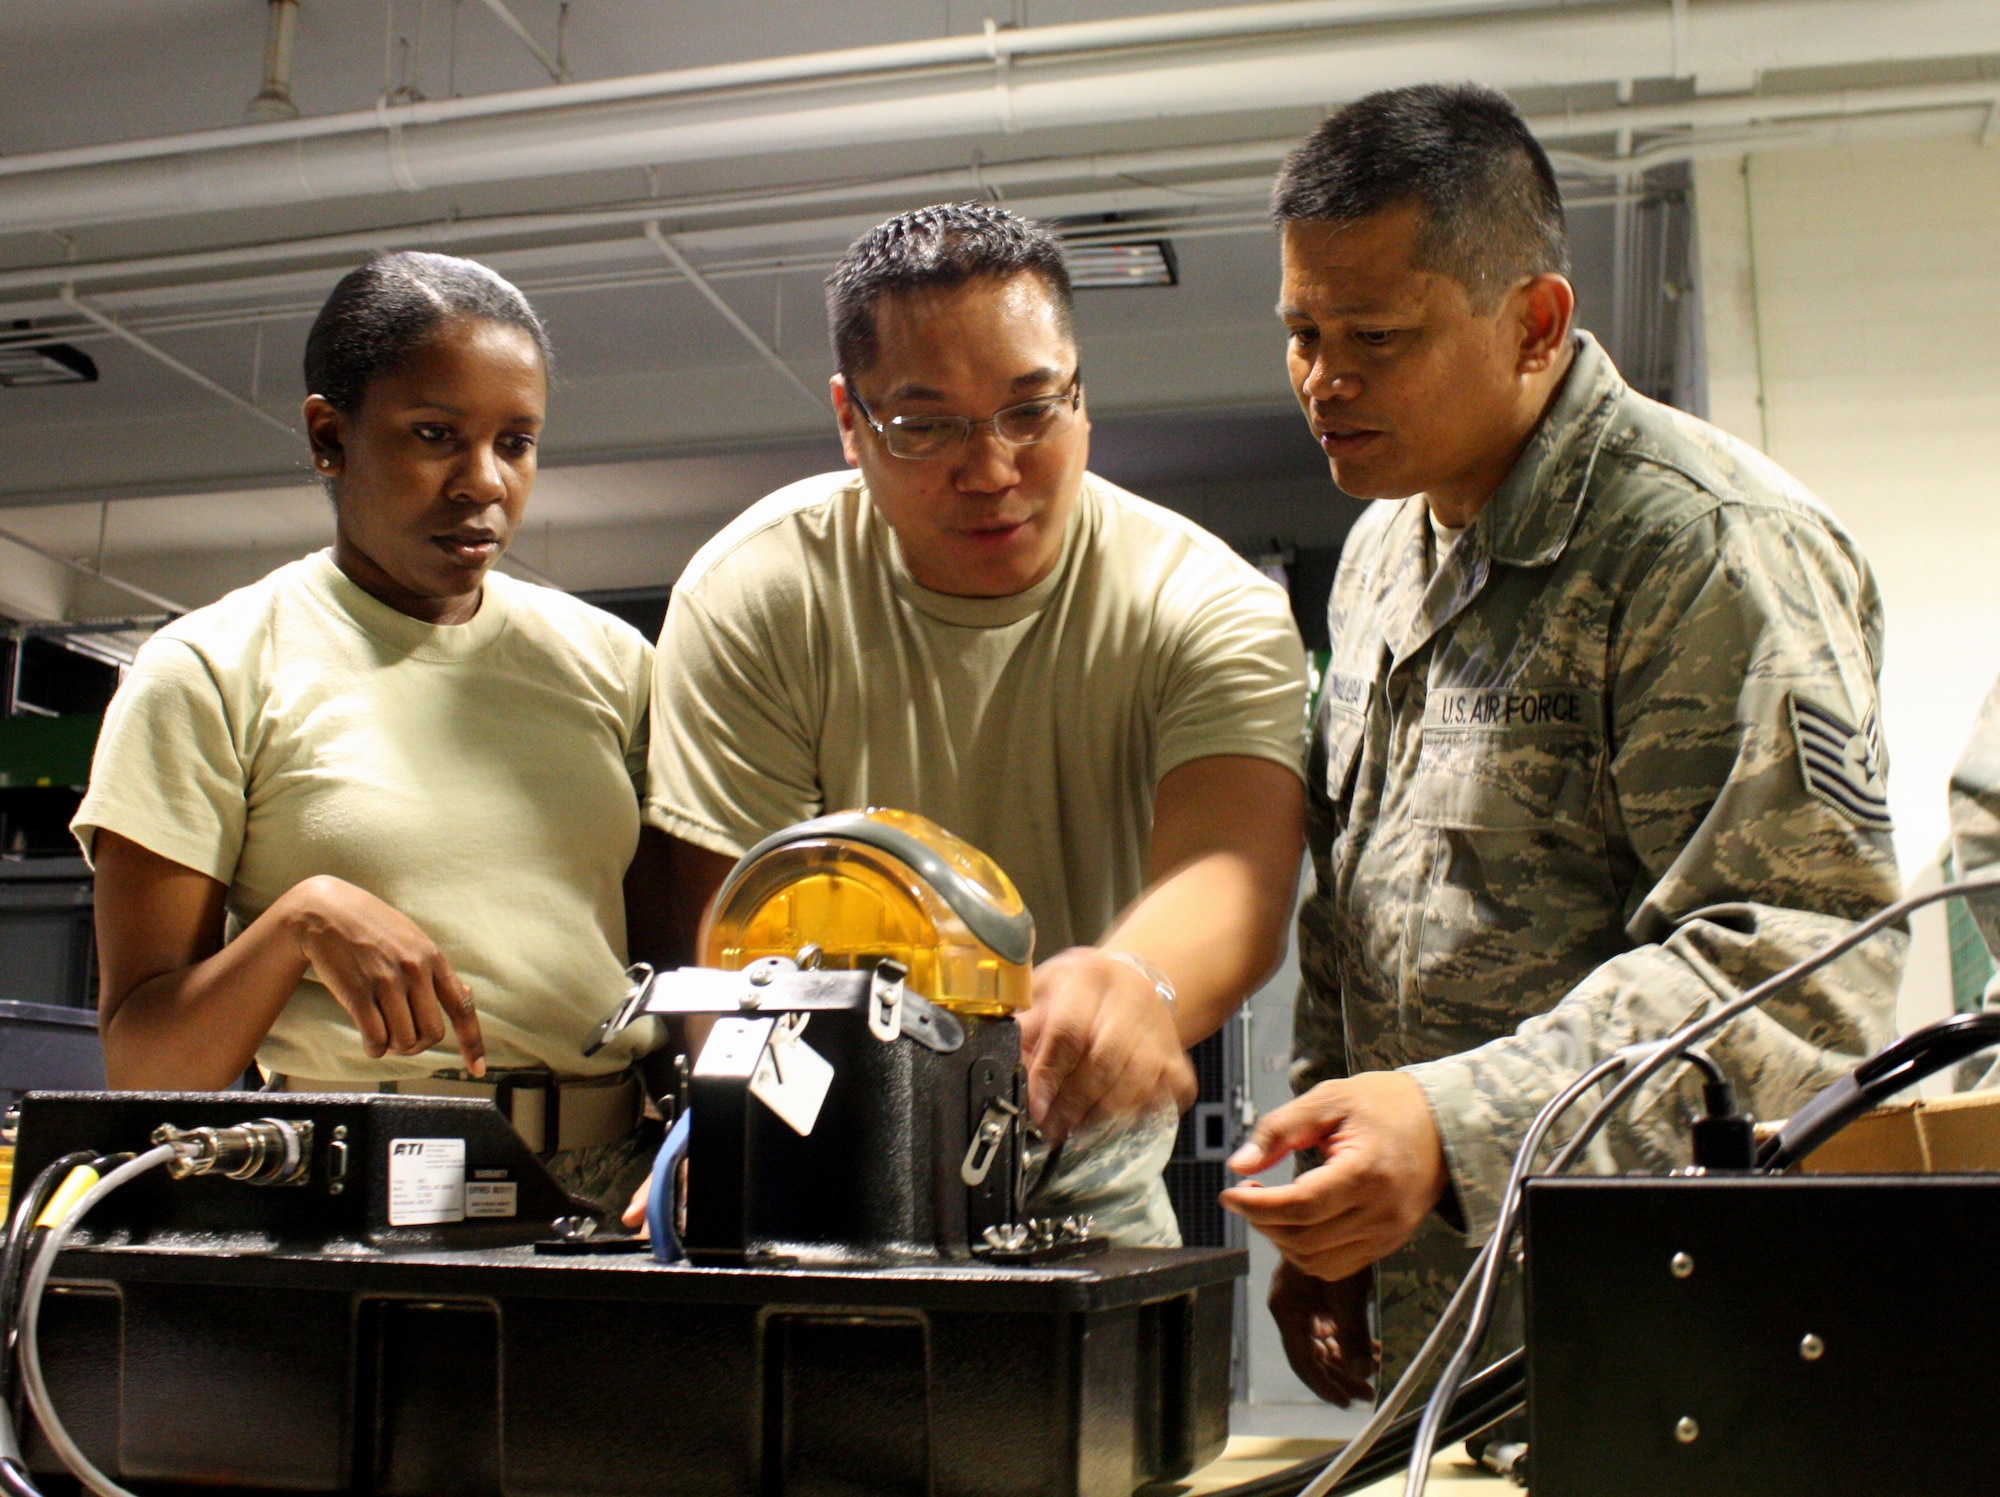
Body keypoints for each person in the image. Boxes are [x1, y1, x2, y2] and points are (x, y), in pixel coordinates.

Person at [1219, 84, 1904, 1400]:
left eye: (1375, 335)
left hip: (1669, 1347)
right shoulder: (1380, 554)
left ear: (1534, 324)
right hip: (1453, 1340)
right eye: (1302, 330)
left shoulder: (1706, 549)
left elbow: (1801, 969)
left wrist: (1448, 1127)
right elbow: (1354, 914)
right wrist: (1338, 1177)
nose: (1322, 379)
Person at [637, 203, 1309, 1244]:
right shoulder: (758, 592)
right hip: (819, 1129)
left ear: (1082, 396)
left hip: (1073, 1138)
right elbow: (730, 947)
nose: (990, 468)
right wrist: (748, 1144)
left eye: (1030, 410)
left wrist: (1134, 980)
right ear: (849, 421)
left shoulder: (1201, 600)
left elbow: (1233, 869)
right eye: (924, 425)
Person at [74, 252, 668, 1212]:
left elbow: (680, 966)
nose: (482, 483)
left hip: (616, 1193)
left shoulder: (608, 661)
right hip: (363, 1193)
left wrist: (704, 1144)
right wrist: (297, 922)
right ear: (327, 436)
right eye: (435, 435)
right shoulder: (211, 670)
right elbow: (142, 1068)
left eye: (516, 443)